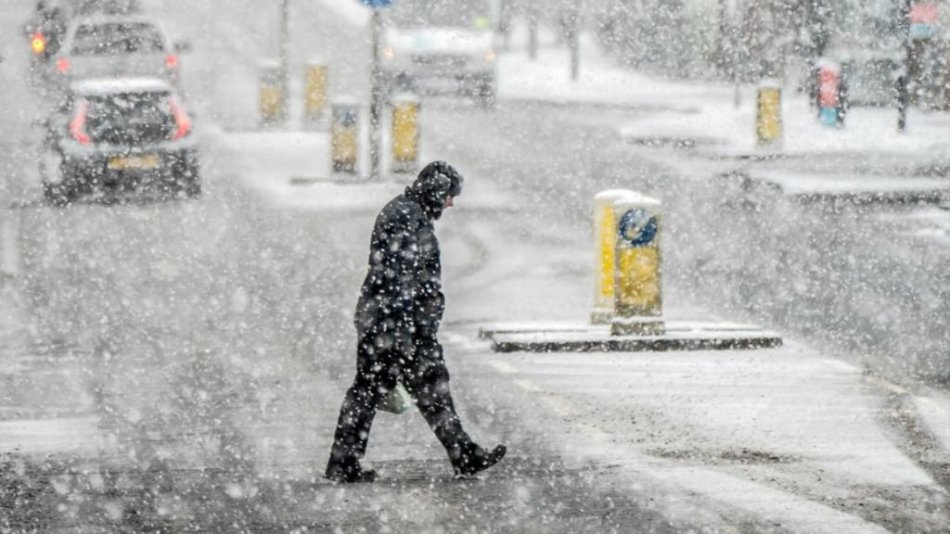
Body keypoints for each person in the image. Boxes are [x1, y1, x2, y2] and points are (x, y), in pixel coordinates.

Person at [326, 161, 506, 483]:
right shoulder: (406, 218)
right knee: (389, 389)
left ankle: (462, 454)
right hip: (394, 327)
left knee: (400, 390)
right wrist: (407, 332)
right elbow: (401, 280)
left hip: (392, 324)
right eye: (449, 195)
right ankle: (461, 455)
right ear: (437, 191)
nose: (451, 203)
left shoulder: (410, 214)